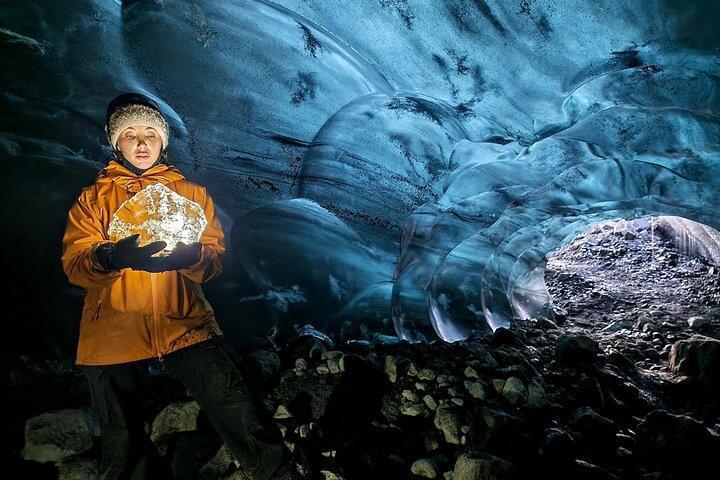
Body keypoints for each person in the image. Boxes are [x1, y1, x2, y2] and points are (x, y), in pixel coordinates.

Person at [61, 92, 298, 480]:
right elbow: (76, 264)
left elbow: (213, 260)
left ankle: (276, 474)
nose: (141, 143)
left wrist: (191, 259)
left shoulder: (191, 195)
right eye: (131, 134)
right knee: (121, 440)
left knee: (237, 406)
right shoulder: (92, 201)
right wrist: (112, 258)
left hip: (185, 323)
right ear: (115, 141)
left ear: (163, 141)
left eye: (151, 134)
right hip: (112, 331)